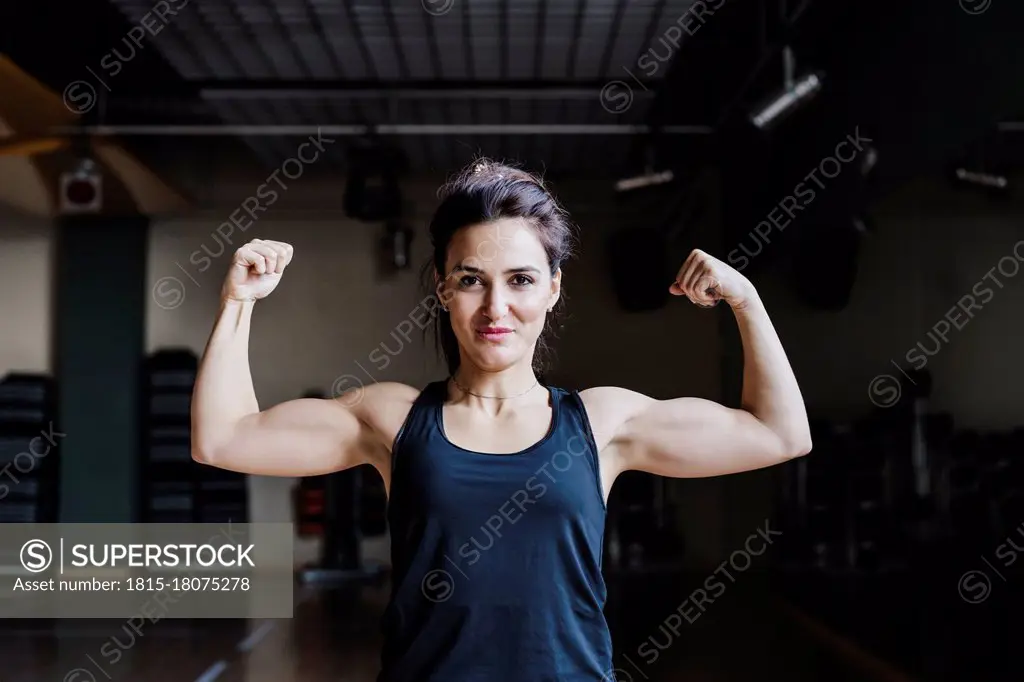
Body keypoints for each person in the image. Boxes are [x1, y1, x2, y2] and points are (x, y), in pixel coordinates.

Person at [191, 160, 812, 682]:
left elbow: (780, 434)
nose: (496, 307)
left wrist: (746, 299)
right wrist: (237, 304)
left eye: (520, 280)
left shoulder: (601, 422)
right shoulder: (392, 418)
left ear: (553, 288)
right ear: (441, 288)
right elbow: (223, 439)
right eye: (470, 280)